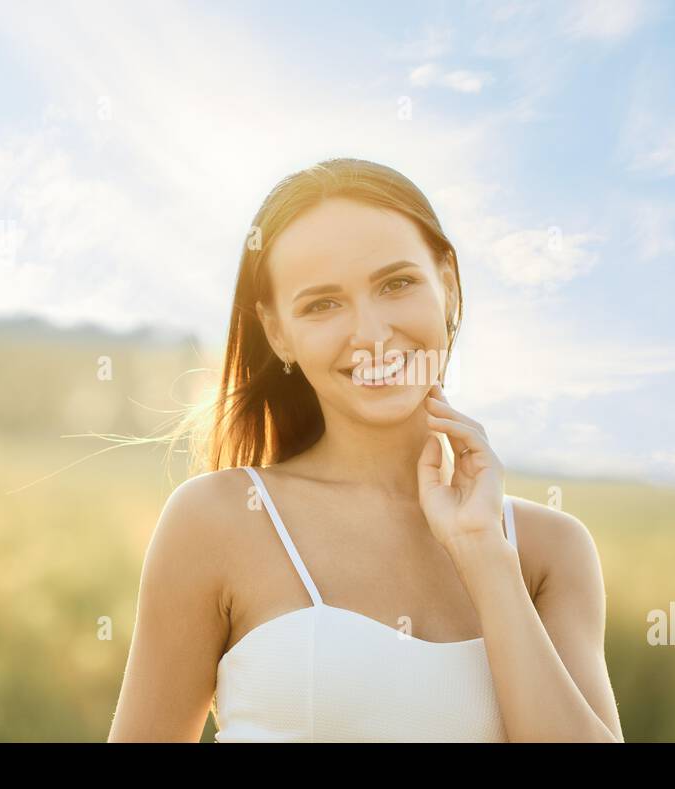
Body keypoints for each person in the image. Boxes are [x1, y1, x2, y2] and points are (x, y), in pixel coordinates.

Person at [107, 158, 623, 742]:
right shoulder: (218, 520)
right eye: (322, 304)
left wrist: (483, 553)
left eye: (396, 283)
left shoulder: (550, 552)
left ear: (448, 285)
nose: (371, 333)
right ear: (278, 333)